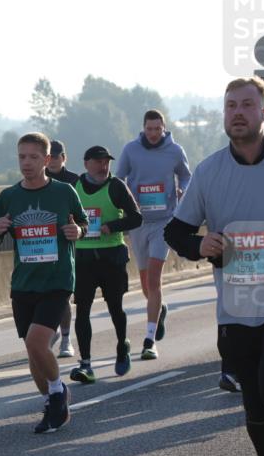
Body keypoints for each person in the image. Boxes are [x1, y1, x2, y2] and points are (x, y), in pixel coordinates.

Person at [165, 77, 264, 456]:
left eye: (247, 105)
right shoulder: (209, 171)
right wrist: (202, 245)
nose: (237, 112)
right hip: (236, 307)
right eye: (230, 106)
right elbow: (175, 233)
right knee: (256, 409)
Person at [0, 132, 87, 434]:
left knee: (36, 342)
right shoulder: (8, 196)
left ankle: (57, 391)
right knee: (34, 353)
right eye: (21, 157)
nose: (26, 163)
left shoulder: (65, 192)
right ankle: (52, 400)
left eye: (32, 157)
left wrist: (76, 232)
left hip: (57, 280)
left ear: (46, 159)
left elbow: (82, 224)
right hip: (24, 282)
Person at [116, 109, 192, 360]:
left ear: (164, 128)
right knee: (146, 282)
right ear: (143, 128)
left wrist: (183, 190)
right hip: (138, 223)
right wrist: (127, 196)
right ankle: (159, 309)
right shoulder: (131, 149)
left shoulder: (175, 150)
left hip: (164, 221)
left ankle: (149, 340)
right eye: (149, 129)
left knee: (154, 280)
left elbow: (186, 175)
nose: (153, 134)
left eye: (157, 129)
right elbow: (119, 179)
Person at [67, 146, 143, 384]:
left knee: (115, 308)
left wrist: (112, 225)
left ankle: (122, 345)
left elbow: (136, 217)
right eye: (98, 161)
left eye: (106, 162)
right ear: (86, 163)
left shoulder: (116, 186)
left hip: (112, 257)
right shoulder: (74, 188)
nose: (103, 166)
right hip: (84, 259)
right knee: (82, 311)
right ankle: (86, 364)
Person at [46, 140, 79, 358]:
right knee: (45, 293)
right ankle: (52, 329)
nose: (54, 161)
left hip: (68, 242)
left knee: (64, 294)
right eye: (51, 157)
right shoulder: (36, 181)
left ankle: (66, 339)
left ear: (63, 158)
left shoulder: (75, 181)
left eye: (58, 157)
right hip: (44, 244)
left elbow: (84, 214)